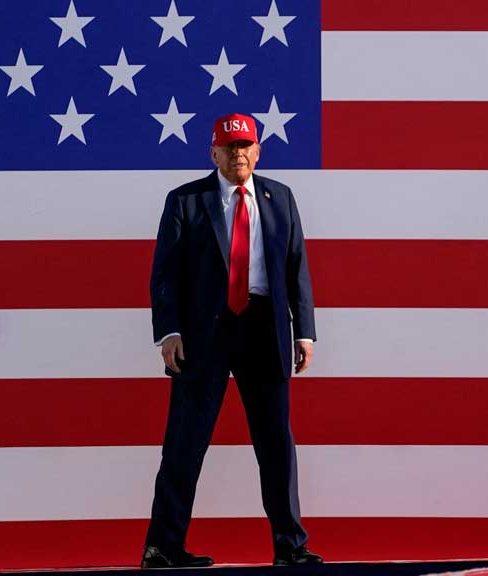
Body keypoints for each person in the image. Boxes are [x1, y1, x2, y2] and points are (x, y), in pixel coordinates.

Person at [142, 113, 322, 568]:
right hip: (204, 332)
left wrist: (303, 330)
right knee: (185, 441)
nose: (238, 154)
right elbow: (165, 274)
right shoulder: (186, 201)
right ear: (214, 153)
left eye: (245, 146)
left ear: (257, 152)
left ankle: (290, 545)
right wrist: (170, 331)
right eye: (229, 147)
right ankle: (163, 548)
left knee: (275, 442)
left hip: (265, 329)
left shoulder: (279, 197)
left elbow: (296, 267)